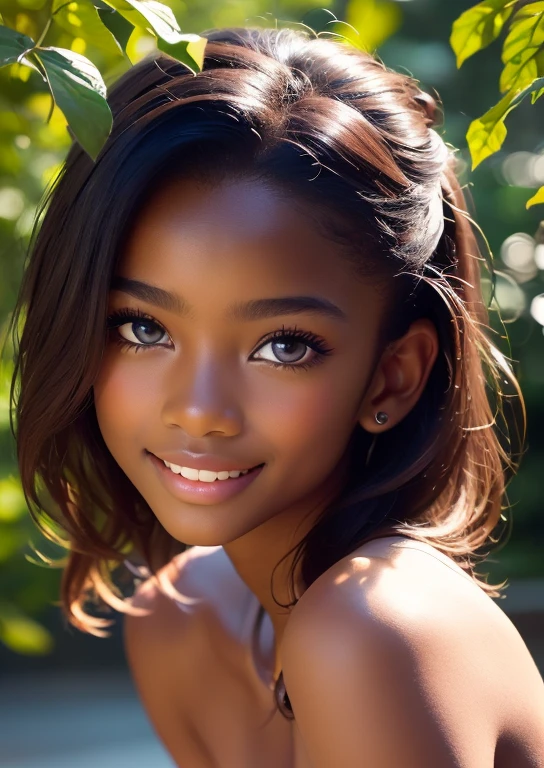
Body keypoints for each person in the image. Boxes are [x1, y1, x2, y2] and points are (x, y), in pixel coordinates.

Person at [9, 25, 544, 767]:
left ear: (393, 375)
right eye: (141, 327)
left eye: (283, 346)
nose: (198, 409)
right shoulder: (183, 619)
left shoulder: (373, 629)